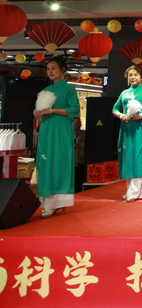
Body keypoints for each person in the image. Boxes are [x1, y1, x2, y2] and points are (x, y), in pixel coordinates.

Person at [33, 56, 80, 218]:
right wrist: (36, 111)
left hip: (60, 130)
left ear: (63, 69)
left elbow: (75, 109)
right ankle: (50, 202)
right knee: (45, 162)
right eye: (48, 69)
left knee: (58, 161)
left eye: (53, 68)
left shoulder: (69, 88)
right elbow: (38, 110)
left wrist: (52, 110)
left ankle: (57, 202)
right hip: (46, 129)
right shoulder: (46, 91)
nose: (50, 71)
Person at [112, 65, 142, 203]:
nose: (133, 77)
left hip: (141, 128)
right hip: (126, 128)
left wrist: (140, 116)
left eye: (135, 75)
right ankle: (131, 190)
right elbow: (115, 109)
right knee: (127, 157)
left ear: (141, 76)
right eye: (130, 75)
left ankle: (135, 192)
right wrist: (121, 115)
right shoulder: (124, 93)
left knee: (139, 157)